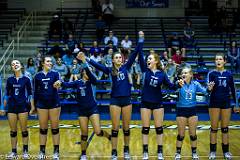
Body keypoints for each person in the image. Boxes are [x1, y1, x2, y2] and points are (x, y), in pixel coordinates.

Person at [79, 32, 144, 160]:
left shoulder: (126, 66)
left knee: (126, 128)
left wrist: (141, 39)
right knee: (115, 128)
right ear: (113, 60)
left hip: (126, 100)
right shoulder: (109, 70)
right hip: (114, 101)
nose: (119, 59)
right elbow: (97, 65)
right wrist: (85, 59)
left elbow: (135, 52)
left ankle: (126, 149)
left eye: (120, 57)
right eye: (117, 58)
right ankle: (114, 151)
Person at [56, 53, 111, 159]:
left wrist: (85, 62)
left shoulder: (92, 81)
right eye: (88, 71)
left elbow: (94, 79)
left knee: (98, 132)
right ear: (83, 72)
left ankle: (107, 136)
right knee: (84, 134)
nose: (90, 72)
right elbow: (66, 84)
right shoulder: (78, 82)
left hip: (92, 109)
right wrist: (60, 82)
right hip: (82, 110)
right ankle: (84, 154)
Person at [138, 39, 179, 159]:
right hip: (145, 103)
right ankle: (145, 151)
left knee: (159, 129)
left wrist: (179, 84)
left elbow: (171, 86)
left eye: (150, 59)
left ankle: (159, 152)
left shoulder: (162, 74)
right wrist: (141, 42)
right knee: (145, 129)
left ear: (156, 61)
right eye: (147, 59)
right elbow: (140, 56)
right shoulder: (145, 71)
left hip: (158, 103)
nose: (148, 60)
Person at [174, 65, 214, 160]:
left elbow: (205, 92)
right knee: (181, 134)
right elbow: (173, 88)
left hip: (192, 110)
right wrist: (177, 85)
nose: (183, 74)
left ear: (191, 74)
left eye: (186, 73)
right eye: (182, 73)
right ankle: (178, 153)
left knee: (193, 134)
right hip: (181, 110)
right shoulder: (179, 83)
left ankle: (194, 153)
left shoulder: (195, 84)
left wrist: (209, 89)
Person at [0, 59, 35, 159]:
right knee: (13, 131)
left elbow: (30, 94)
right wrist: (2, 107)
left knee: (24, 130)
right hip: (11, 108)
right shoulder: (10, 80)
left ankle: (25, 151)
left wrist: (32, 107)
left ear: (21, 66)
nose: (15, 65)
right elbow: (6, 95)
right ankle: (14, 152)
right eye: (13, 64)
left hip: (23, 107)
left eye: (17, 63)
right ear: (11, 68)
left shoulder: (26, 79)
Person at [207, 53, 238, 160]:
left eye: (220, 59)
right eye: (216, 59)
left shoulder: (229, 74)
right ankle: (212, 152)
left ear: (225, 61)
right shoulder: (211, 73)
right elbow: (207, 90)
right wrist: (209, 89)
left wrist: (236, 104)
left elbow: (234, 90)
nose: (218, 61)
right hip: (214, 103)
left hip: (226, 103)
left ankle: (226, 151)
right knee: (214, 128)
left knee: (225, 129)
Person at [34, 56, 61, 160]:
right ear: (43, 63)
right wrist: (33, 106)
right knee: (43, 129)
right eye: (48, 61)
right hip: (41, 105)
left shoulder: (55, 73)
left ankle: (56, 151)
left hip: (54, 104)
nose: (50, 63)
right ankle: (42, 151)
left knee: (55, 129)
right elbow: (35, 92)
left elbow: (59, 82)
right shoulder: (37, 76)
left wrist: (58, 83)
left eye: (51, 61)